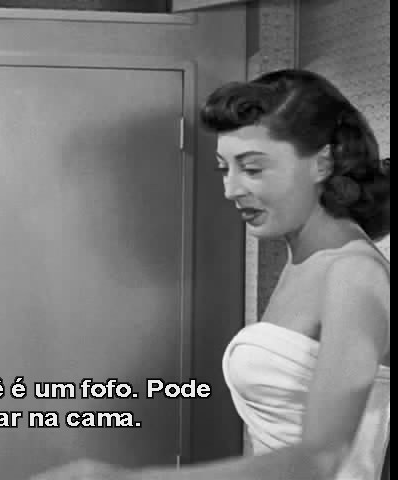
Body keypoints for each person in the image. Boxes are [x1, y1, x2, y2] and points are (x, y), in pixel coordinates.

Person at [30, 69, 390, 480]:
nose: (231, 190)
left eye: (252, 169)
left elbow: (322, 460)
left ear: (322, 163)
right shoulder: (303, 262)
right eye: (224, 169)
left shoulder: (355, 274)